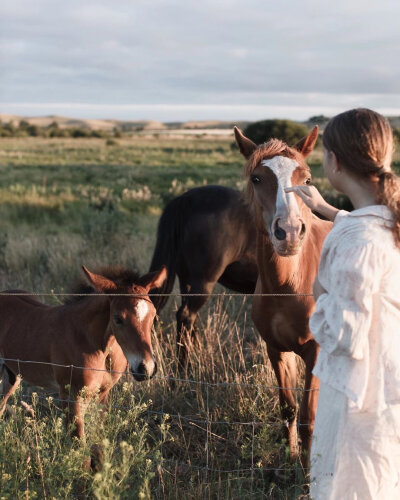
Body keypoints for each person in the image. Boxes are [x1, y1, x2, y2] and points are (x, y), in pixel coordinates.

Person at [285, 108, 400, 499]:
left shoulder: (358, 244)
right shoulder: (387, 224)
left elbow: (346, 333)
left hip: (358, 405)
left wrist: (320, 295)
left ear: (333, 161)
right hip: (385, 393)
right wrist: (327, 211)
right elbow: (365, 230)